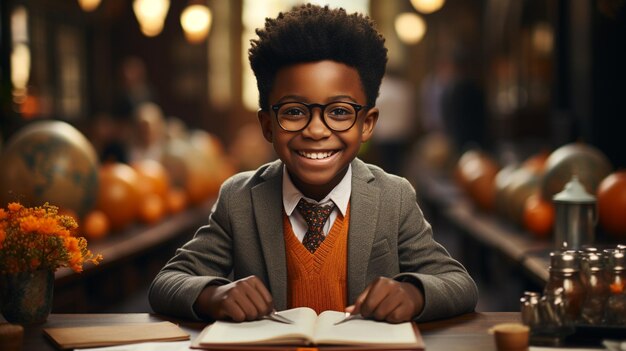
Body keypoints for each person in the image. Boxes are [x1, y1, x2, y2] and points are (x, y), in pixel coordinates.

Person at [148, 4, 477, 324]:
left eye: (339, 112)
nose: (316, 130)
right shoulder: (240, 199)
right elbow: (168, 282)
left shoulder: (394, 196)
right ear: (267, 125)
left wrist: (414, 294)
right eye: (293, 111)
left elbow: (458, 283)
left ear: (367, 124)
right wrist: (214, 296)